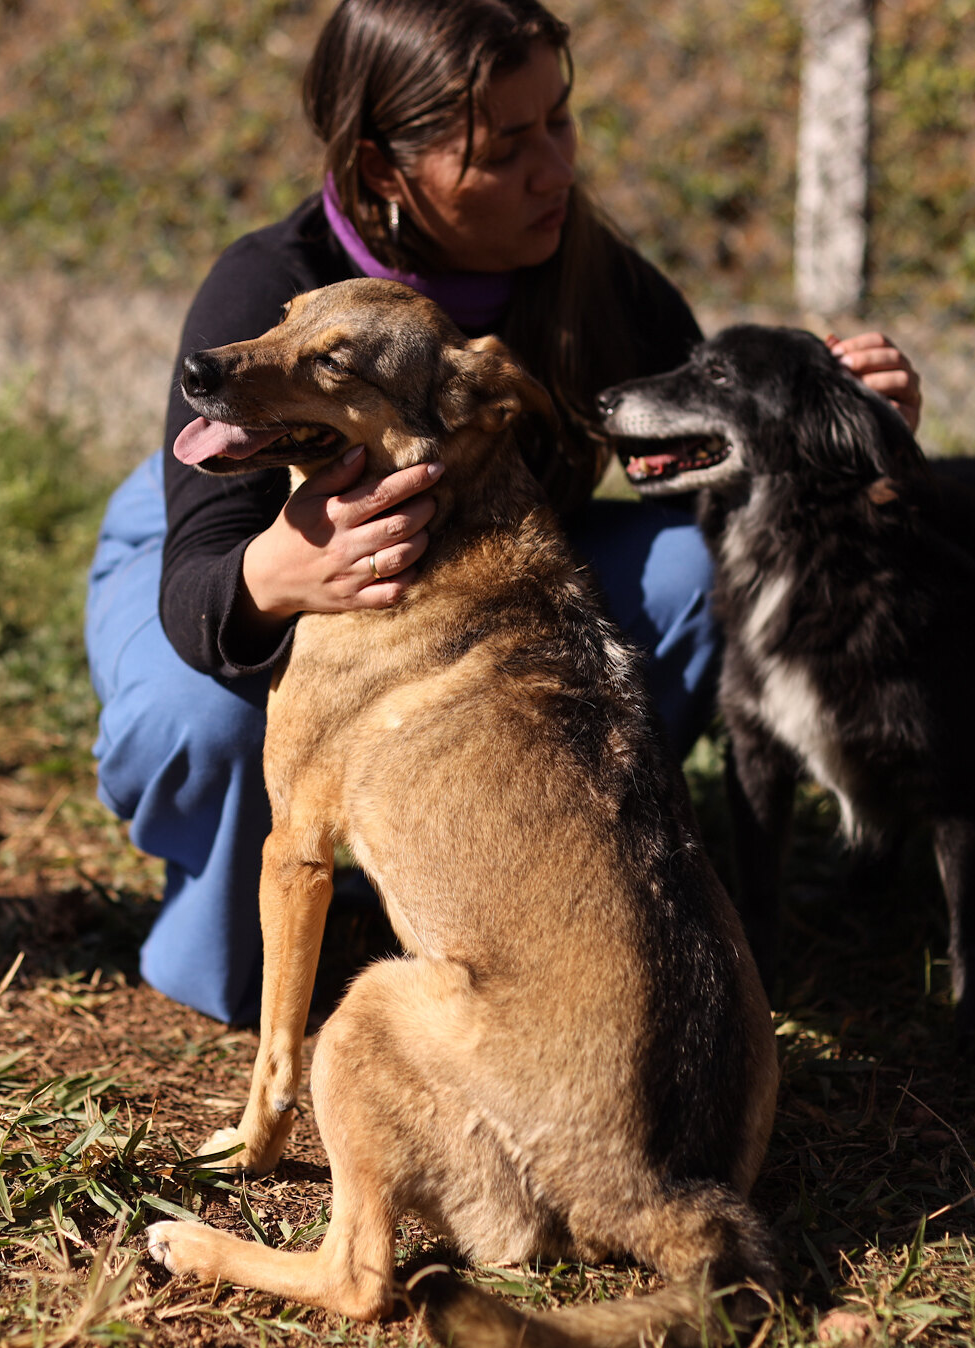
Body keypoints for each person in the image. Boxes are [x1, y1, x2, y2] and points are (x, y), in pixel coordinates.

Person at [86, 0, 923, 1025]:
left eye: (558, 121)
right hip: (230, 548)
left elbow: (712, 461)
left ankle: (529, 866)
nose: (556, 168)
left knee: (693, 571)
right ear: (385, 168)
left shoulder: (594, 280)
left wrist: (839, 431)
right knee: (204, 723)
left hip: (468, 573)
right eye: (505, 149)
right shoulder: (270, 283)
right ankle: (239, 902)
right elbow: (196, 581)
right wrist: (277, 575)